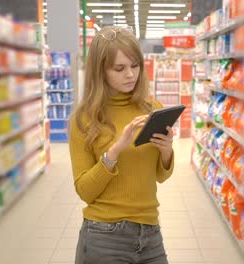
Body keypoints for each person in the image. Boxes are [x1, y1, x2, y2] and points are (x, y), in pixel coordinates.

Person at [68, 25, 175, 264]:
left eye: (135, 65)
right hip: (103, 237)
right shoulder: (84, 120)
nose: (130, 74)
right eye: (120, 68)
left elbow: (160, 176)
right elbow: (85, 191)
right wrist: (116, 149)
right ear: (100, 71)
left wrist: (167, 152)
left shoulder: (152, 109)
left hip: (150, 234)